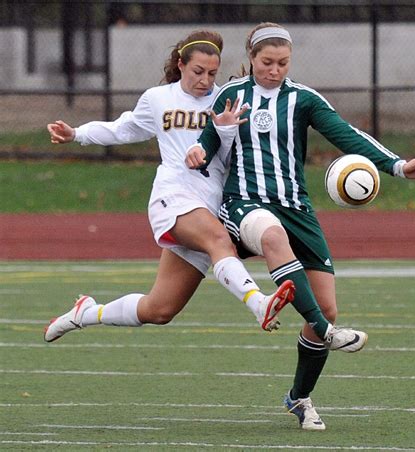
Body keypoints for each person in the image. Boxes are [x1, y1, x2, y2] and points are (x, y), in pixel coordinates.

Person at [186, 22, 415, 431]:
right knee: (272, 237)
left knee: (328, 304)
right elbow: (212, 136)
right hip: (244, 203)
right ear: (251, 58)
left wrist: (397, 166)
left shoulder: (303, 99)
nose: (275, 70)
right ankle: (325, 330)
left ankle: (299, 397)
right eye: (267, 62)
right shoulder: (232, 94)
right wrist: (199, 149)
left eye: (283, 63)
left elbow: (345, 135)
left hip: (296, 207)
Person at [44, 29, 296, 344]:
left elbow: (234, 155)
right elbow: (122, 129)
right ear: (180, 64)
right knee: (220, 241)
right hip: (173, 196)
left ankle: (86, 312)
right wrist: (76, 133)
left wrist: (230, 130)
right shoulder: (158, 99)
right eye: (198, 71)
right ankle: (259, 304)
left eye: (212, 73)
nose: (205, 80)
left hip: (210, 204)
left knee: (160, 309)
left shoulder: (225, 100)